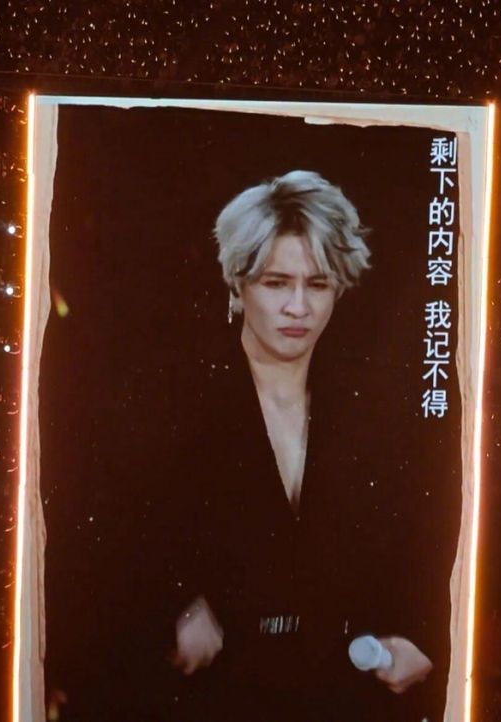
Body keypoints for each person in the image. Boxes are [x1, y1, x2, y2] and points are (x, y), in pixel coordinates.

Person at [165, 170, 438, 721]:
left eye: (317, 285)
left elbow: (419, 554)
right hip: (212, 704)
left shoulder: (372, 415)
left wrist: (423, 642)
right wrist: (171, 613)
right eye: (276, 283)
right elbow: (117, 555)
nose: (298, 307)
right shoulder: (180, 404)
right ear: (238, 285)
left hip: (340, 702)